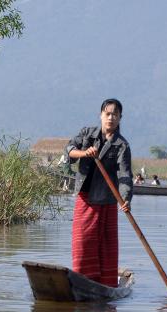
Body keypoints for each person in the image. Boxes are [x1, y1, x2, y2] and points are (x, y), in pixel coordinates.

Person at [65, 98, 133, 288]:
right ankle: (81, 282)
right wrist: (85, 153)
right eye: (107, 114)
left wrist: (125, 200)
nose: (111, 118)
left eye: (115, 115)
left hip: (107, 201)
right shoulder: (87, 134)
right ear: (101, 115)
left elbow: (125, 176)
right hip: (85, 199)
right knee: (82, 243)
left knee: (106, 246)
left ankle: (105, 284)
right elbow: (69, 150)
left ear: (120, 118)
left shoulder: (122, 145)